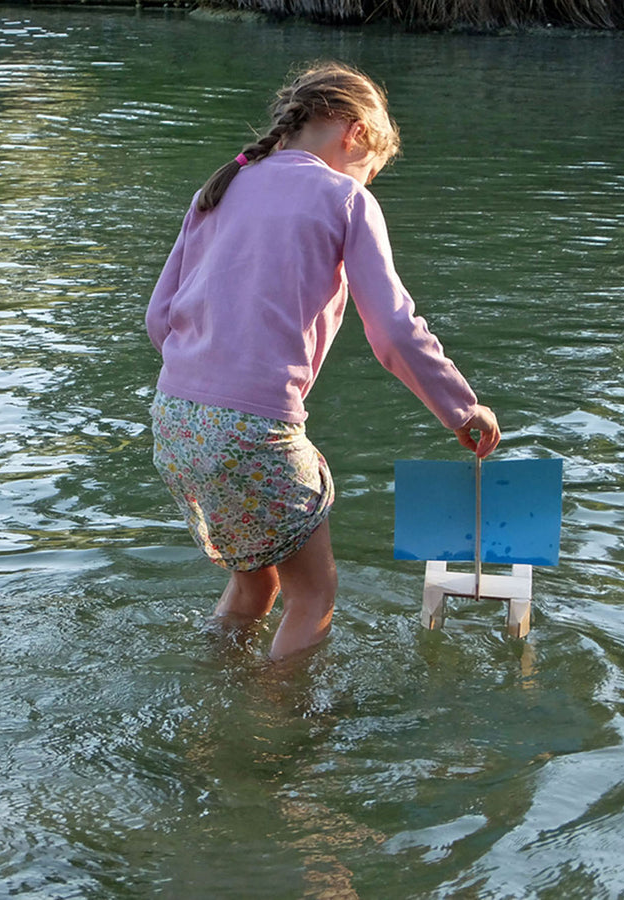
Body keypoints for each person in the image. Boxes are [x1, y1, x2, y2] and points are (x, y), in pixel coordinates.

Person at [146, 61, 500, 661]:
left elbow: (161, 318)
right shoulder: (345, 199)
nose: (369, 183)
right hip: (252, 429)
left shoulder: (221, 187)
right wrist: (462, 410)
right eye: (372, 170)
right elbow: (392, 332)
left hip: (175, 419)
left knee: (256, 581)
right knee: (315, 594)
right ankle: (280, 735)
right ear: (354, 132)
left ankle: (219, 688)